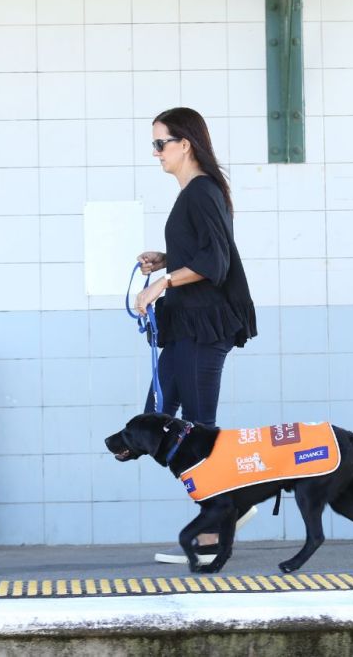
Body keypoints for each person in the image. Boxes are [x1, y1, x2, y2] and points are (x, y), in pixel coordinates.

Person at [134, 107, 258, 564]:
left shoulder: (202, 191)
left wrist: (162, 283)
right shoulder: (193, 194)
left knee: (198, 429)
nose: (156, 153)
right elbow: (204, 252)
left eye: (160, 143)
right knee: (156, 419)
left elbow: (216, 264)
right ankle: (227, 508)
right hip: (186, 326)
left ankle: (213, 531)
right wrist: (166, 260)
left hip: (203, 326)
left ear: (185, 144)